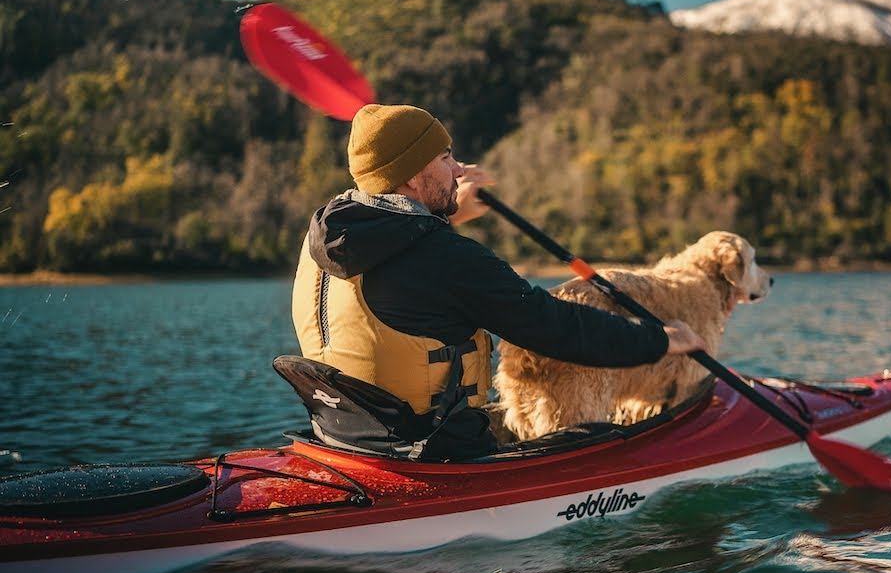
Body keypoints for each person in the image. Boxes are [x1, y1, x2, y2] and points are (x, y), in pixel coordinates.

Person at [291, 103, 706, 459]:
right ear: (412, 176)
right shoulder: (446, 258)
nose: (458, 170)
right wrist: (659, 339)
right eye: (445, 158)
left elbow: (409, 277)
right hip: (436, 449)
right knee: (600, 436)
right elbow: (555, 327)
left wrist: (444, 216)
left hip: (345, 441)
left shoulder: (324, 244)